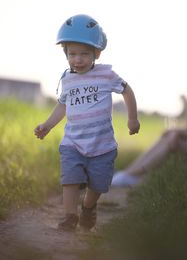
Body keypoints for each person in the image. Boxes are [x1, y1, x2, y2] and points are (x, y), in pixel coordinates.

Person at [34, 14, 140, 231]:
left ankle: (88, 207)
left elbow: (127, 91)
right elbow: (63, 105)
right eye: (72, 54)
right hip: (72, 143)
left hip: (102, 146)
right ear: (65, 53)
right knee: (70, 179)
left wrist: (132, 118)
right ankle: (69, 216)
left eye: (84, 54)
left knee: (98, 185)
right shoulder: (67, 80)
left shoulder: (106, 75)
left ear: (96, 53)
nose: (77, 60)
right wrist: (47, 125)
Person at [112, 67, 187, 187]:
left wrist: (176, 132)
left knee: (171, 137)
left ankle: (133, 175)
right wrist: (175, 132)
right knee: (168, 136)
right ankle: (129, 173)